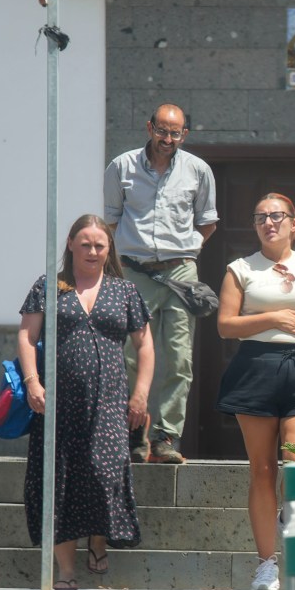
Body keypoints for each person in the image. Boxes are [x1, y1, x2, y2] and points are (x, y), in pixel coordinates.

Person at [216, 193, 295, 590]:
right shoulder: (240, 269)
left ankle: (289, 520)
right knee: (262, 469)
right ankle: (266, 564)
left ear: (294, 223)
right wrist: (272, 317)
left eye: (277, 216)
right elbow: (225, 325)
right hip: (256, 368)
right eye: (260, 218)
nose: (269, 223)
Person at [19, 214, 153, 590]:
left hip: (111, 401)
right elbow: (27, 336)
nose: (92, 251)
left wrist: (141, 393)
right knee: (59, 480)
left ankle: (98, 538)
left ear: (109, 250)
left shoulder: (124, 291)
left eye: (100, 245)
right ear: (70, 245)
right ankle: (66, 572)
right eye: (85, 244)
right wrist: (33, 382)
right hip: (57, 402)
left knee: (103, 471)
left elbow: (145, 346)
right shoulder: (50, 286)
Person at [103, 103, 218, 464]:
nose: (168, 139)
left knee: (179, 358)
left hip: (180, 274)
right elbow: (110, 221)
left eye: (176, 133)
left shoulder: (198, 170)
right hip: (134, 271)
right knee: (128, 356)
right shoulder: (122, 166)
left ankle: (166, 436)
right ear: (149, 127)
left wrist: (190, 251)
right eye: (162, 130)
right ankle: (134, 434)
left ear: (185, 134)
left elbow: (208, 222)